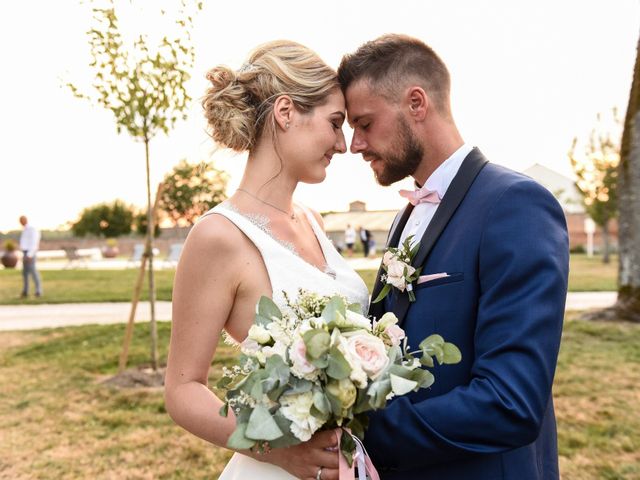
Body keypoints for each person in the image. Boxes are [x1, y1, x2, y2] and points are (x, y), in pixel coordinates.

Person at [338, 34, 569, 480]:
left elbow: (510, 401)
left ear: (417, 103)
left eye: (364, 123)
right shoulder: (406, 214)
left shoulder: (515, 204)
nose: (355, 144)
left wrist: (364, 431)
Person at [164, 40, 369, 480]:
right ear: (285, 112)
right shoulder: (218, 236)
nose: (343, 143)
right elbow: (182, 390)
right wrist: (274, 449)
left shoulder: (312, 221)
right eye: (335, 123)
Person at [18, 215, 42, 298]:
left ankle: (38, 291)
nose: (20, 222)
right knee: (25, 273)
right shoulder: (25, 229)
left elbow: (34, 242)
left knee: (33, 272)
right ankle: (25, 291)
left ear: (25, 220)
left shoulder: (31, 229)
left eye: (21, 220)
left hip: (30, 253)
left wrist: (30, 254)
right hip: (25, 253)